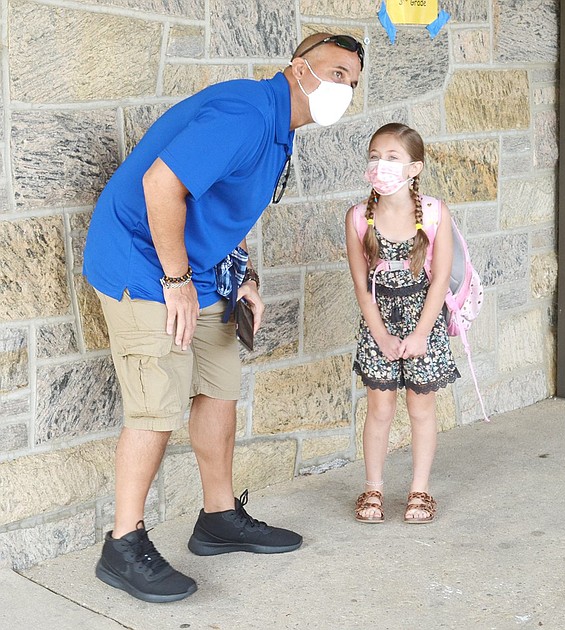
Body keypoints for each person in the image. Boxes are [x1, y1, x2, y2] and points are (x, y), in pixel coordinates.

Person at [83, 32, 364, 603]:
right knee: (155, 404)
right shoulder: (244, 113)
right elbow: (160, 185)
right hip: (143, 264)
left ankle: (217, 518)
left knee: (219, 389)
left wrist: (245, 275)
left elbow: (213, 206)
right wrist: (177, 281)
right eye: (336, 74)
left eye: (353, 83)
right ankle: (122, 544)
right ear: (298, 68)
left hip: (197, 267)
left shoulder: (278, 129)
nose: (344, 91)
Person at [345, 123, 460, 526]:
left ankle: (419, 489)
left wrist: (421, 333)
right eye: (375, 156)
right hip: (379, 320)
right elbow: (362, 286)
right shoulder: (360, 217)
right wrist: (381, 334)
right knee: (379, 407)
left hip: (422, 318)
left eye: (392, 158)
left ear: (414, 168)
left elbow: (441, 278)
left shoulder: (434, 213)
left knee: (421, 407)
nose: (381, 165)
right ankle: (373, 486)